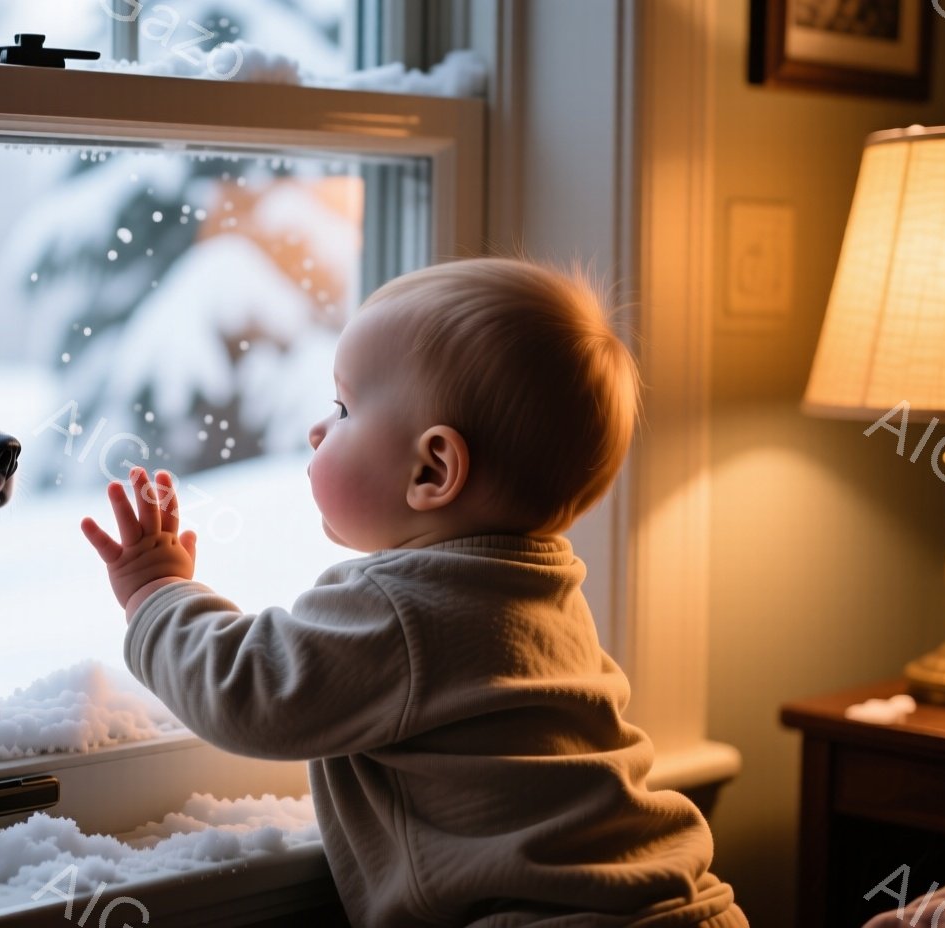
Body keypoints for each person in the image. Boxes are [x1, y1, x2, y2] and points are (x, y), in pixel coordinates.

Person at [80, 257, 747, 926]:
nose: (318, 429)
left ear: (433, 469)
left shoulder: (406, 607)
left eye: (342, 408)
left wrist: (158, 591)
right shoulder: (542, 591)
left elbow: (249, 690)